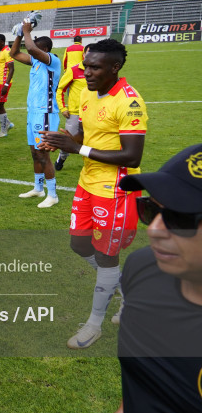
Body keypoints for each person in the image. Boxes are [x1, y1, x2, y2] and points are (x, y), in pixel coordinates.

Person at [39, 39, 147, 349]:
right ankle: (127, 292)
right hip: (88, 183)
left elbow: (132, 157)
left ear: (115, 67)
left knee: (106, 255)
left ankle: (94, 325)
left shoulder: (129, 102)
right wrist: (62, 139)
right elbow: (85, 133)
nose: (86, 72)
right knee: (79, 244)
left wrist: (78, 149)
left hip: (115, 189)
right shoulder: (87, 92)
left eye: (95, 67)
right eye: (86, 65)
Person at [111, 143, 202, 413]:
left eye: (178, 217)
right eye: (150, 209)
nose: (153, 229)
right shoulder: (143, 268)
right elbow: (140, 390)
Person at [8, 21, 62, 208]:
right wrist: (19, 35)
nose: (32, 51)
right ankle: (38, 188)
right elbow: (14, 53)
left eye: (37, 48)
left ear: (44, 49)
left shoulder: (52, 60)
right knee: (34, 153)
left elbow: (30, 48)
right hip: (33, 113)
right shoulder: (36, 62)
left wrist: (26, 31)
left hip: (45, 113)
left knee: (43, 153)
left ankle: (53, 195)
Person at [55, 44, 87, 171]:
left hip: (93, 113)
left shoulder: (99, 70)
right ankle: (62, 158)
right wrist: (63, 108)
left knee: (94, 140)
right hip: (75, 112)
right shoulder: (74, 70)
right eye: (88, 53)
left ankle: (91, 164)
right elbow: (60, 89)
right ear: (83, 55)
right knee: (69, 139)